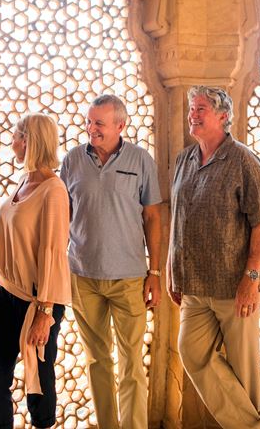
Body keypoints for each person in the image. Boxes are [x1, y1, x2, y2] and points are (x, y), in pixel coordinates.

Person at [168, 86, 260, 429]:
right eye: (191, 108)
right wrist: (172, 269)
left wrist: (252, 279)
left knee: (244, 371)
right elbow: (178, 217)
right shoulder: (184, 159)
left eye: (200, 109)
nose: (192, 114)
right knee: (192, 352)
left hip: (235, 286)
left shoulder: (244, 160)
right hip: (193, 285)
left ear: (223, 116)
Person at [60, 94, 162, 429]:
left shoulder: (140, 159)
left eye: (99, 123)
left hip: (129, 278)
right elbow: (62, 216)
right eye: (89, 122)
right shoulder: (72, 160)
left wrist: (155, 271)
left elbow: (152, 217)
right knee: (97, 360)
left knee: (132, 363)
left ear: (121, 125)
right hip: (82, 276)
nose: (92, 129)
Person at [0, 113, 72, 429]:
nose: (11, 142)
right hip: (5, 293)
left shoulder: (54, 190)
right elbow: (22, 230)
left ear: (27, 141)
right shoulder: (24, 180)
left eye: (15, 136)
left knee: (39, 383)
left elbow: (52, 250)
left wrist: (44, 312)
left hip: (38, 300)